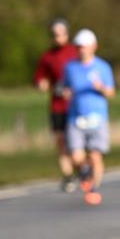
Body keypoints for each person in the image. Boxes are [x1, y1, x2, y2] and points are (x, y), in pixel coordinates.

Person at [62, 29, 115, 206]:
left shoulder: (102, 67)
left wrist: (100, 87)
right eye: (78, 47)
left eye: (84, 47)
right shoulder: (70, 67)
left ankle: (94, 189)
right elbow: (64, 87)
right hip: (75, 117)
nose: (81, 50)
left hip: (97, 117)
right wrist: (65, 92)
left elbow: (111, 92)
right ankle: (85, 173)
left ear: (93, 47)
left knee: (95, 155)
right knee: (76, 156)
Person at [33, 18, 79, 191]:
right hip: (57, 106)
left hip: (75, 106)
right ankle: (68, 175)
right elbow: (39, 77)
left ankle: (81, 168)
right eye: (54, 34)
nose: (58, 37)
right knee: (60, 141)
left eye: (61, 34)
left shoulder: (75, 53)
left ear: (67, 34)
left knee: (76, 143)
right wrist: (41, 83)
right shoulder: (47, 57)